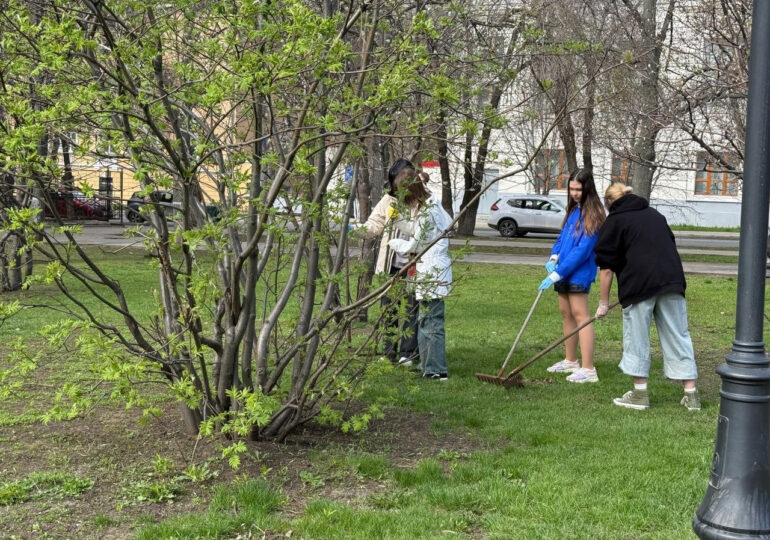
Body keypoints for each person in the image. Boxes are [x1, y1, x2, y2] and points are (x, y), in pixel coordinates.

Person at [594, 183, 700, 410]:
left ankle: (640, 395)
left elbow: (606, 268)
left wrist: (603, 303)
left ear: (609, 202)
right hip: (671, 281)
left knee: (637, 338)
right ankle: (691, 396)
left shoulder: (615, 221)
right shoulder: (655, 215)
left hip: (638, 285)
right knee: (678, 335)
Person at [540, 168, 606, 383]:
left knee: (581, 316)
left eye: (578, 189)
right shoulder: (574, 211)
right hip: (563, 271)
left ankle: (589, 369)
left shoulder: (594, 214)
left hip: (579, 273)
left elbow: (582, 251)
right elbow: (563, 238)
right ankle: (571, 360)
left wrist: (557, 274)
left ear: (587, 189)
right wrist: (553, 257)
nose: (574, 193)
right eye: (571, 189)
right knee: (566, 314)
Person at [387, 168, 453, 380]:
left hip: (432, 270)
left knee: (431, 321)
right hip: (429, 269)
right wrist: (396, 221)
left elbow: (414, 244)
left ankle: (436, 369)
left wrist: (394, 242)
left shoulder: (428, 211)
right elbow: (418, 232)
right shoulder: (428, 206)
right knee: (425, 319)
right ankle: (427, 364)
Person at [354, 158, 419, 365]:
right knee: (389, 308)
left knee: (411, 309)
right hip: (391, 264)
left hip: (413, 265)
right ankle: (388, 351)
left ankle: (408, 354)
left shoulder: (422, 201)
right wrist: (355, 229)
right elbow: (374, 225)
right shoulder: (388, 201)